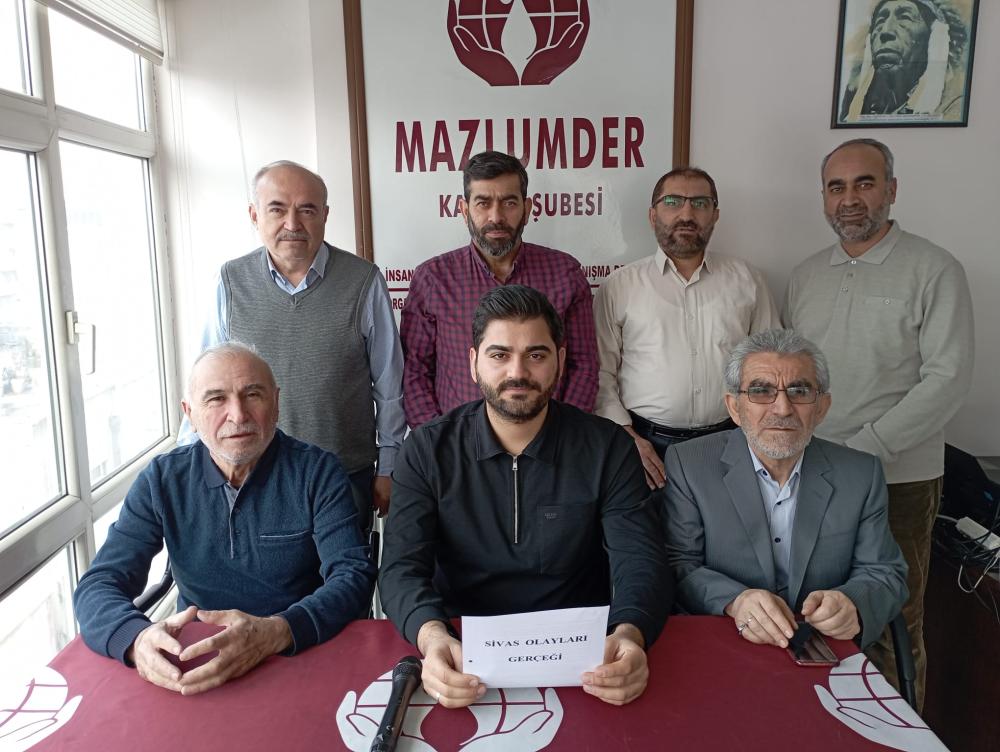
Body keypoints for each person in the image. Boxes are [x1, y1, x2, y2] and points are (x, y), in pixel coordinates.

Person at [381, 285, 670, 707]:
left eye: (536, 355)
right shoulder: (426, 450)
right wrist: (432, 636)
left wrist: (630, 634)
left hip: (586, 660)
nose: (517, 372)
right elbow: (400, 569)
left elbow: (640, 559)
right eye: (499, 355)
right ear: (473, 363)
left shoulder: (608, 448)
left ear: (561, 362)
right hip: (461, 650)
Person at [784, 138, 973, 709]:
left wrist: (867, 448)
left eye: (864, 183)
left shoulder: (935, 269)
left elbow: (948, 379)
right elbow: (791, 376)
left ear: (891, 190)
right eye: (836, 187)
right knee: (817, 614)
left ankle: (897, 737)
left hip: (899, 480)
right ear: (823, 197)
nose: (850, 199)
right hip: (814, 476)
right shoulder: (805, 275)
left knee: (894, 617)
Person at [73, 343, 376, 695]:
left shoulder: (318, 472)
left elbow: (352, 575)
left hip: (296, 652)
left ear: (276, 403)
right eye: (217, 399)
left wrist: (277, 631)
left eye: (253, 394)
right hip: (196, 661)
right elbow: (98, 586)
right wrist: (136, 639)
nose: (238, 414)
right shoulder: (162, 481)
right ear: (190, 413)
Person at [185, 160, 405, 534]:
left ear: (325, 215)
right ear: (254, 215)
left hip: (344, 475)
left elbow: (389, 385)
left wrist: (389, 466)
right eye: (277, 209)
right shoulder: (231, 282)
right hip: (252, 475)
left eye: (307, 210)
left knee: (345, 569)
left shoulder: (364, 281)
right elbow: (205, 386)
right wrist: (188, 467)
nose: (293, 223)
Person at [664, 329, 908, 653]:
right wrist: (735, 600)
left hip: (821, 646)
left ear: (822, 407)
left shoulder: (861, 473)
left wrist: (853, 603)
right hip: (723, 639)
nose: (782, 408)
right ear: (734, 407)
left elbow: (884, 572)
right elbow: (680, 564)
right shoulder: (691, 465)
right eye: (761, 391)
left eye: (799, 391)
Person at [593, 167, 779, 489]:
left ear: (715, 215)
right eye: (673, 202)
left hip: (730, 440)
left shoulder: (748, 280)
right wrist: (625, 436)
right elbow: (601, 372)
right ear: (653, 215)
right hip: (645, 446)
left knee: (724, 523)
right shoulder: (619, 286)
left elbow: (771, 366)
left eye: (700, 203)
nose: (687, 214)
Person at [401, 150, 598, 428]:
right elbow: (414, 372)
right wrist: (438, 442)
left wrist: (563, 437)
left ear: (527, 209)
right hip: (459, 445)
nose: (496, 216)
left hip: (549, 441)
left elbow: (583, 365)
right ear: (464, 210)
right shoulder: (433, 279)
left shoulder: (565, 274)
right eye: (483, 203)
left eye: (509, 203)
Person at [838, 0, 969, 121]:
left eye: (905, 17)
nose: (885, 31)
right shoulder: (859, 111)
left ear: (933, 39)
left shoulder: (953, 108)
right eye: (880, 21)